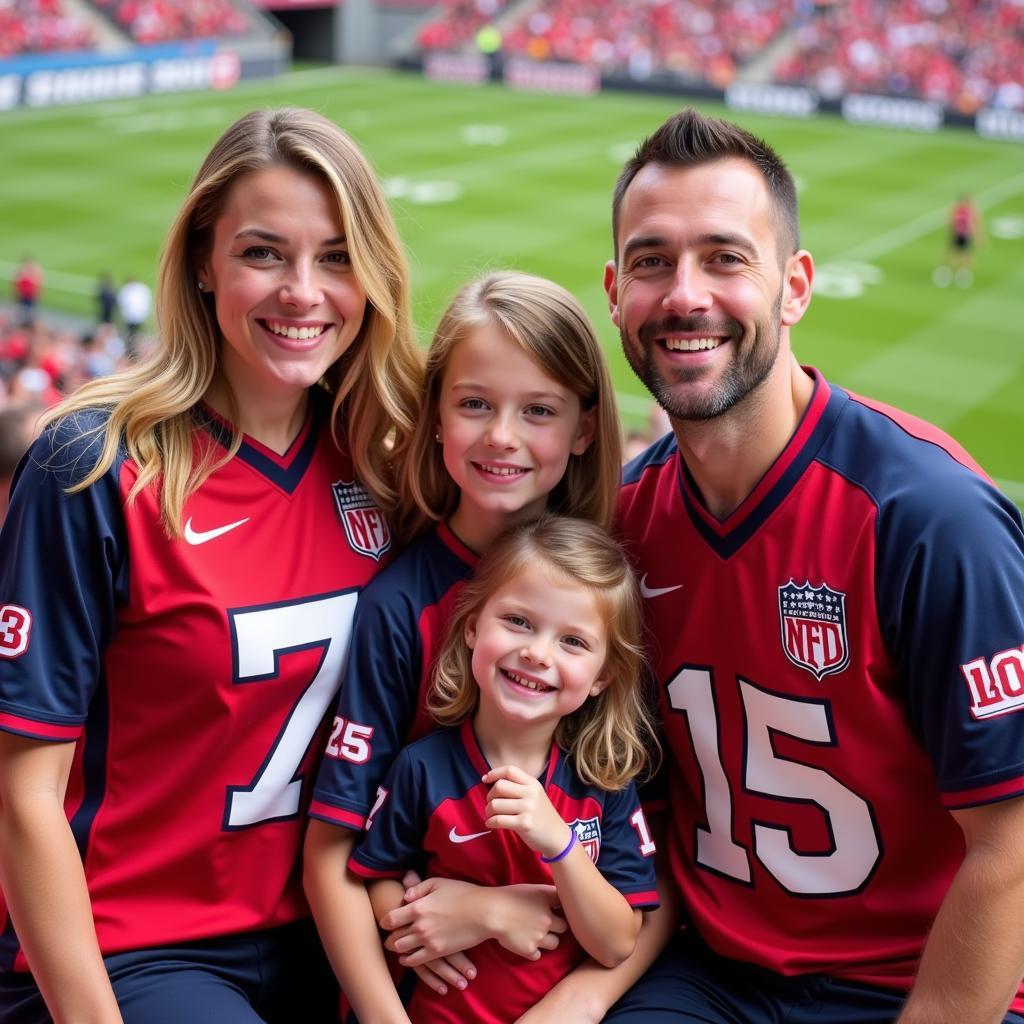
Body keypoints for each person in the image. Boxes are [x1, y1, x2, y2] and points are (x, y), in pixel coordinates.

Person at [535, 107, 1024, 1023]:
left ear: (795, 285)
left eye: (725, 258)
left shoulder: (927, 518)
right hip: (715, 972)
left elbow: (1014, 843)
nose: (685, 295)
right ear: (613, 292)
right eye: (652, 262)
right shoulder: (628, 521)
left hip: (908, 985)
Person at [0, 106, 422, 1024]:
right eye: (264, 253)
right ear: (202, 260)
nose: (304, 291)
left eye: (338, 256)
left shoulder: (391, 468)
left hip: (337, 930)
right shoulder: (98, 468)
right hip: (135, 950)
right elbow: (22, 790)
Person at [304, 270, 624, 1020]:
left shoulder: (612, 591)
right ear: (437, 416)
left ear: (583, 428)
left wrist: (577, 1002)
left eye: (538, 410)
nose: (502, 436)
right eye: (475, 403)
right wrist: (462, 916)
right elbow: (339, 849)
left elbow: (653, 866)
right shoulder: (401, 603)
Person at [348, 516, 659, 1022]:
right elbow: (374, 877)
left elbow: (618, 944)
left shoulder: (605, 785)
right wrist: (439, 919)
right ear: (473, 626)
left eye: (573, 642)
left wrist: (559, 843)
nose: (537, 653)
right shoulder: (421, 769)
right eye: (518, 621)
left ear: (602, 677)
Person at [933, 193, 984, 288]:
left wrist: (977, 238)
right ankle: (945, 272)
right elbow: (951, 221)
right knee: (951, 254)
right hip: (957, 235)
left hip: (965, 235)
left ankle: (963, 275)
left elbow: (975, 224)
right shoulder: (956, 209)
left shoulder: (971, 210)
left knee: (965, 256)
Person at [117, 274, 152, 356]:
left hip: (132, 317)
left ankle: (132, 351)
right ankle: (134, 351)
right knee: (135, 334)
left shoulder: (127, 290)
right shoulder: (141, 288)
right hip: (138, 316)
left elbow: (122, 303)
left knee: (132, 334)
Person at [11, 258, 42, 327]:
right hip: (23, 296)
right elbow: (17, 284)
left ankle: (29, 323)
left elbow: (37, 284)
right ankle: (23, 323)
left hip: (30, 296)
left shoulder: (33, 272)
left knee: (31, 310)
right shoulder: (21, 272)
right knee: (22, 310)